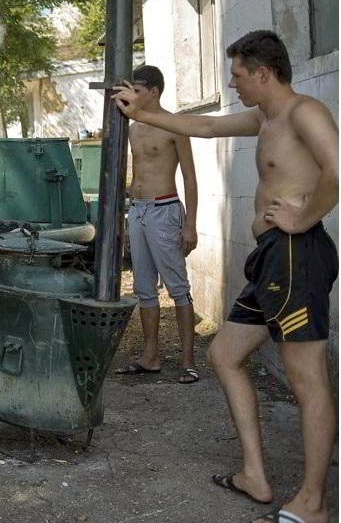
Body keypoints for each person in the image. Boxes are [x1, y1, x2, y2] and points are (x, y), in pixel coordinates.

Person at [113, 30, 338, 523]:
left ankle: (314, 503)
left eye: (237, 75)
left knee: (308, 380)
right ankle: (255, 476)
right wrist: (141, 112)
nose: (232, 84)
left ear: (262, 71)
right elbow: (204, 128)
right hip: (273, 257)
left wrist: (301, 218)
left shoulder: (304, 112)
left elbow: (337, 169)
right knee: (225, 354)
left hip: (298, 253)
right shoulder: (266, 117)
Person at [114, 65, 200, 384]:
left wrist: (190, 225)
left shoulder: (174, 126)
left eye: (137, 90)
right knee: (143, 288)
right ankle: (150, 357)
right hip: (137, 211)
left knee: (178, 288)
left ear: (154, 92)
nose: (132, 95)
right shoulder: (134, 127)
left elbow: (190, 177)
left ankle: (188, 361)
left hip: (165, 210)